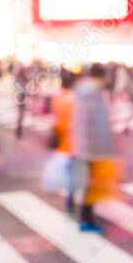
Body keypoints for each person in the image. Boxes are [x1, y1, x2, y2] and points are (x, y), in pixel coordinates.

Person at [72, 64, 118, 233]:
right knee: (91, 185)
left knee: (85, 182)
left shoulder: (84, 91)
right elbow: (98, 124)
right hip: (92, 148)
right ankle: (86, 219)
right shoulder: (94, 93)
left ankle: (80, 213)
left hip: (83, 145)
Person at [50, 69, 77, 212]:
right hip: (72, 139)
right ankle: (70, 198)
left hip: (61, 137)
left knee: (66, 168)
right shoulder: (73, 99)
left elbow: (55, 117)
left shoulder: (58, 98)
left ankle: (68, 195)